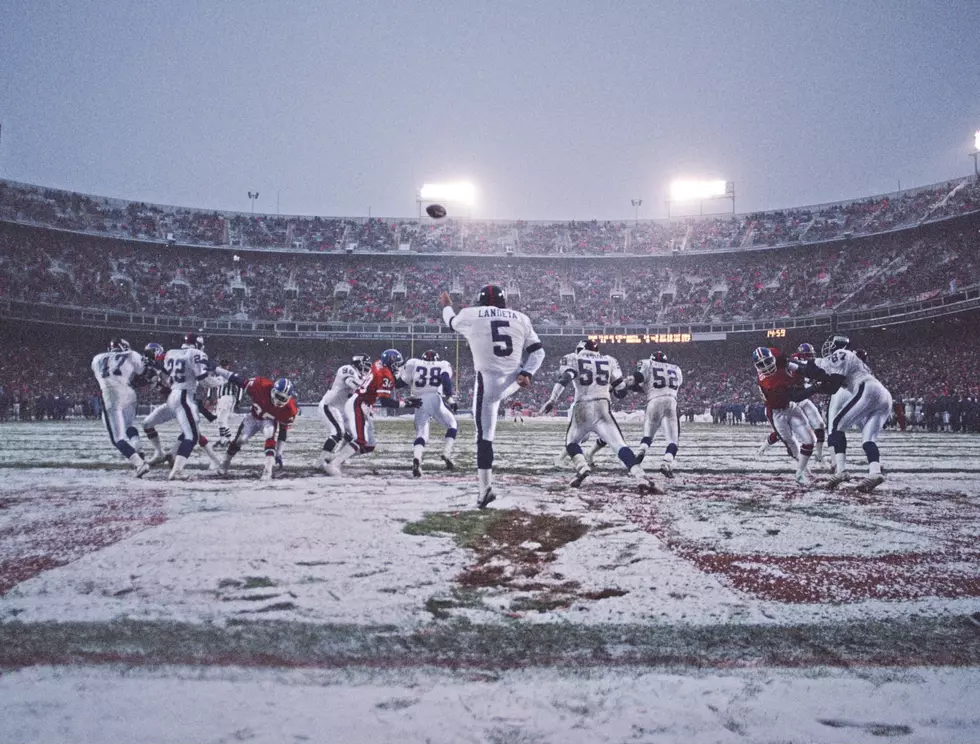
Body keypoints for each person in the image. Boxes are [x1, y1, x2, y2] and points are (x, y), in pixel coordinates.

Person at [440, 285, 545, 508]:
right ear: (504, 302)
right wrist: (527, 373)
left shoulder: (471, 313)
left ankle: (484, 490)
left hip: (488, 381)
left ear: (480, 301)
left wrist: (447, 306)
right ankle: (484, 490)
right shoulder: (521, 318)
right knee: (488, 430)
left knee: (485, 436)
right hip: (513, 380)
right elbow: (538, 351)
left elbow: (449, 322)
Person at [539, 339, 654, 489]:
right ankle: (640, 475)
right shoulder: (609, 360)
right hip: (602, 407)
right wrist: (613, 387)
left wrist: (552, 399)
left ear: (579, 349)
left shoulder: (574, 358)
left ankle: (582, 467)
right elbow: (621, 391)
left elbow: (565, 378)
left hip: (582, 406)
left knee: (571, 443)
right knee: (619, 445)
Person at [790, 334, 893, 492]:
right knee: (868, 439)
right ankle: (875, 472)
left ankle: (841, 471)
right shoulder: (848, 360)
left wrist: (814, 385)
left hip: (867, 388)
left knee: (836, 426)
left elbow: (832, 384)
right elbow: (812, 369)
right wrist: (789, 364)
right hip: (884, 396)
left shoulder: (841, 354)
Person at [323, 349, 420, 476]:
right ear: (391, 363)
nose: (398, 367)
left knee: (369, 445)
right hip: (358, 403)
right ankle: (334, 464)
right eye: (397, 364)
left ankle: (336, 457)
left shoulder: (379, 364)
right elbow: (385, 402)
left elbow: (391, 382)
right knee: (360, 440)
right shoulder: (385, 375)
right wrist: (406, 403)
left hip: (364, 404)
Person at [753, 346, 816, 486]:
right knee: (792, 443)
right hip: (776, 413)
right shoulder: (768, 382)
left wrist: (788, 360)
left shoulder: (773, 353)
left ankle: (802, 470)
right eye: (761, 365)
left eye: (767, 361)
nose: (766, 366)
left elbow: (780, 355)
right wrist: (814, 388)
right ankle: (801, 472)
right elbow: (796, 396)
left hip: (790, 406)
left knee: (810, 440)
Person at [216, 374, 298, 481]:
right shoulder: (261, 386)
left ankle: (267, 471)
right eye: (278, 396)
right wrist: (221, 371)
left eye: (283, 398)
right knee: (240, 440)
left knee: (270, 436)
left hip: (268, 421)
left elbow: (283, 431)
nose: (279, 400)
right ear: (273, 391)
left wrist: (279, 453)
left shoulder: (289, 410)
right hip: (253, 418)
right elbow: (241, 382)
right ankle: (225, 462)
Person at [90, 338, 150, 477]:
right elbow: (142, 371)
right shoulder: (131, 354)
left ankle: (139, 464)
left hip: (111, 393)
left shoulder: (97, 358)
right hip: (129, 392)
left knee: (117, 438)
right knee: (129, 426)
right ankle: (138, 448)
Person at [159, 333, 212, 480]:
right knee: (192, 436)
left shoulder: (170, 353)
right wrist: (221, 381)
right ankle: (177, 469)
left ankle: (169, 454)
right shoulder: (196, 353)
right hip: (184, 396)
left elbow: (166, 378)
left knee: (190, 429)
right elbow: (204, 380)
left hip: (174, 394)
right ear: (197, 344)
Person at [398, 349, 458, 477]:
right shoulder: (442, 364)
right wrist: (449, 397)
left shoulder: (414, 363)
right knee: (452, 424)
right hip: (435, 398)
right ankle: (446, 453)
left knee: (422, 434)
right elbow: (445, 378)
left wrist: (391, 378)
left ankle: (417, 458)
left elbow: (400, 383)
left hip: (419, 400)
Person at [629, 349, 683, 478]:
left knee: (648, 435)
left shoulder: (648, 363)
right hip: (671, 401)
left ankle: (641, 452)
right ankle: (667, 462)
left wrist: (627, 384)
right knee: (673, 440)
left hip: (654, 401)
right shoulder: (676, 369)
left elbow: (639, 381)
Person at [317, 354, 371, 469]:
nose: (366, 370)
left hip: (341, 409)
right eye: (365, 366)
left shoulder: (361, 378)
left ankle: (336, 458)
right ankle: (320, 461)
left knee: (354, 435)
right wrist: (365, 387)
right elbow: (350, 382)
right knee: (337, 433)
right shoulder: (347, 369)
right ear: (358, 364)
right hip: (329, 405)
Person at [213, 359, 242, 447]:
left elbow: (239, 388)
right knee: (222, 420)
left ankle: (224, 440)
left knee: (220, 419)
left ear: (228, 366)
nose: (224, 367)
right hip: (221, 398)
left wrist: (238, 400)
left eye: (225, 365)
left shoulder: (232, 376)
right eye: (223, 365)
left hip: (227, 398)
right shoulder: (218, 375)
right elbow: (214, 387)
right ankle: (229, 439)